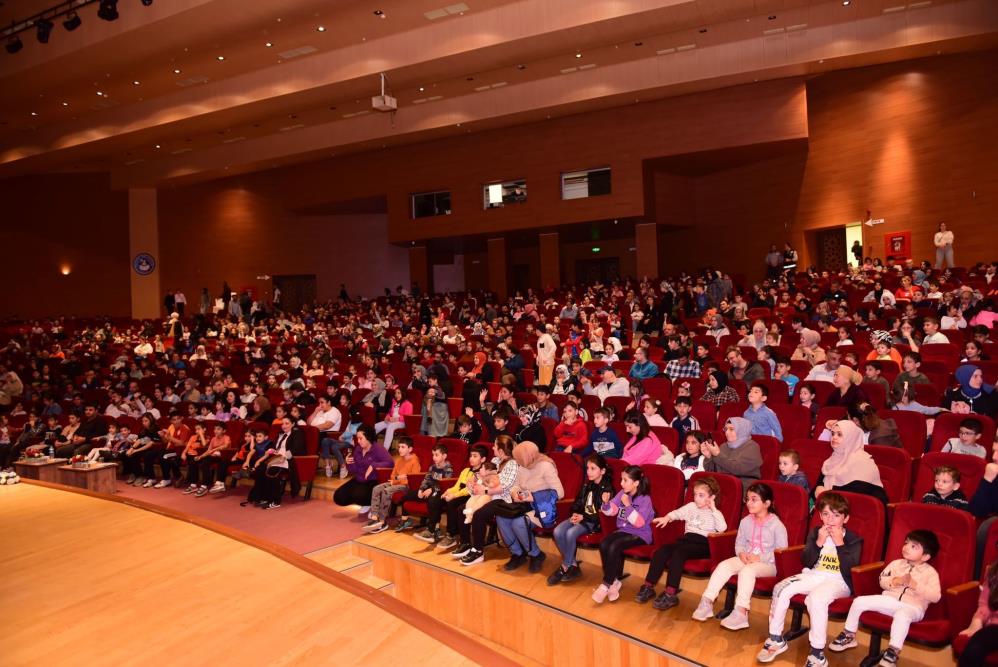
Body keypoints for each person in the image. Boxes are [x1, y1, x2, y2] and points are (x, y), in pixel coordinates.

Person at [758, 491, 863, 666]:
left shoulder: (853, 539)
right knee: (780, 588)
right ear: (820, 515)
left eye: (836, 515)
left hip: (838, 581)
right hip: (813, 575)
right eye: (826, 514)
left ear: (845, 519)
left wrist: (839, 543)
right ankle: (776, 638)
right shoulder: (816, 532)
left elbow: (851, 569)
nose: (830, 520)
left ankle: (817, 654)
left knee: (815, 599)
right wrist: (818, 543)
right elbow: (805, 561)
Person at [830, 530, 941, 667]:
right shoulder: (896, 564)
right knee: (859, 601)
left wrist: (915, 585)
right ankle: (849, 635)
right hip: (891, 600)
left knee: (902, 616)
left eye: (913, 546)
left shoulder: (930, 573)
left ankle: (892, 652)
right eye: (906, 543)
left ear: (925, 556)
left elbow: (935, 596)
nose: (906, 547)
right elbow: (882, 580)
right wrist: (895, 581)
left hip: (913, 607)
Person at [693, 482, 788, 629]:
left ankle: (741, 612)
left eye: (754, 499)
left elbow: (782, 551)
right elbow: (739, 544)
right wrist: (741, 553)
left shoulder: (777, 525)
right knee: (724, 565)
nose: (749, 503)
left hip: (769, 564)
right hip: (747, 558)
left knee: (747, 570)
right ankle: (707, 602)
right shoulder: (746, 521)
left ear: (767, 503)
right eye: (747, 499)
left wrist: (760, 558)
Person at [636, 476, 727, 610]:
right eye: (695, 494)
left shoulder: (715, 513)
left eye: (701, 495)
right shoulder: (691, 506)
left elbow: (722, 528)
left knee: (679, 553)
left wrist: (713, 508)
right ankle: (648, 586)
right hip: (687, 540)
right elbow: (677, 513)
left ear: (712, 497)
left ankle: (671, 594)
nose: (696, 498)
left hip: (703, 544)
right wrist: (667, 517)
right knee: (662, 550)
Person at [491, 441, 564, 571]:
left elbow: (560, 492)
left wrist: (534, 497)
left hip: (541, 508)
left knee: (519, 523)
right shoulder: (523, 466)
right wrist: (515, 493)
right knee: (502, 518)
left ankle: (536, 554)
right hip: (524, 505)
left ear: (527, 457)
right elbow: (516, 485)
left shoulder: (546, 466)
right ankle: (517, 553)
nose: (517, 461)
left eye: (519, 458)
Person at [592, 465, 656, 603]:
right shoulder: (622, 493)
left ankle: (606, 584)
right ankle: (614, 581)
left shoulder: (645, 499)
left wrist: (627, 506)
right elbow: (611, 511)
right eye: (621, 479)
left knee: (615, 546)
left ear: (636, 483)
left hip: (641, 534)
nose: (621, 483)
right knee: (604, 543)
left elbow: (639, 523)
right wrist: (606, 504)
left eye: (625, 480)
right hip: (624, 531)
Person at [548, 454, 615, 585]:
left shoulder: (608, 489)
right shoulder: (587, 485)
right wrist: (575, 513)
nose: (589, 472)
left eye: (593, 468)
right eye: (588, 468)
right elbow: (577, 503)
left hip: (594, 522)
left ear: (602, 471)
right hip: (580, 517)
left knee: (570, 533)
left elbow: (604, 514)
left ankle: (565, 566)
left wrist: (583, 517)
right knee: (557, 531)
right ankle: (573, 565)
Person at [456, 435, 519, 566]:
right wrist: (474, 485)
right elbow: (484, 476)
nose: (492, 448)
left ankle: (478, 551)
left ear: (501, 450)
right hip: (487, 494)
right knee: (461, 509)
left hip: (502, 499)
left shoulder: (512, 464)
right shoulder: (495, 460)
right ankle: (466, 544)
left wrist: (484, 490)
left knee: (479, 514)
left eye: (495, 446)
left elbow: (505, 486)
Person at [429, 444, 489, 551]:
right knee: (438, 498)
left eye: (475, 456)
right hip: (460, 494)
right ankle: (433, 529)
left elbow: (468, 490)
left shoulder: (481, 474)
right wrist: (447, 492)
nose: (471, 458)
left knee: (452, 503)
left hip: (472, 496)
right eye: (470, 456)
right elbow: (457, 486)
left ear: (483, 459)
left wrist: (454, 496)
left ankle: (451, 535)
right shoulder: (466, 471)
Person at [813, 420, 888, 505]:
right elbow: (819, 485)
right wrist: (818, 488)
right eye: (833, 433)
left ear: (851, 437)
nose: (834, 437)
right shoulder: (831, 460)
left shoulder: (863, 461)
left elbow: (858, 491)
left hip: (857, 511)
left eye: (839, 434)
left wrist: (828, 492)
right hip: (830, 510)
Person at [362, 436, 420, 533]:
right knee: (376, 488)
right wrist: (397, 479)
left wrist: (397, 480)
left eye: (403, 447)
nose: (400, 449)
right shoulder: (399, 460)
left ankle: (382, 521)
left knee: (386, 491)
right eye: (399, 447)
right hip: (396, 483)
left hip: (407, 486)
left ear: (410, 449)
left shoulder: (414, 461)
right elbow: (393, 476)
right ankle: (375, 517)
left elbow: (413, 480)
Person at [332, 425, 393, 513]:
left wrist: (373, 465)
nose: (358, 441)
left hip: (373, 481)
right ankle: (365, 502)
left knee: (358, 496)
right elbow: (354, 470)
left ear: (368, 437)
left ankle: (373, 504)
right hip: (359, 479)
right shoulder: (358, 449)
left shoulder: (378, 449)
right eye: (357, 438)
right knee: (338, 497)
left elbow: (390, 463)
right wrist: (349, 463)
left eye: (361, 438)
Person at [242, 416, 296, 510]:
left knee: (270, 471)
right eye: (282, 423)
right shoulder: (281, 434)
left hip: (286, 460)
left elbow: (296, 449)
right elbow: (277, 448)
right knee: (260, 469)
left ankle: (276, 501)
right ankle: (263, 497)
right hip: (275, 458)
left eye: (286, 423)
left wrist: (283, 456)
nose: (283, 426)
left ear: (293, 424)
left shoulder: (296, 434)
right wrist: (272, 452)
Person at [957, 559, 998, 666]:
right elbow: (985, 604)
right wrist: (977, 621)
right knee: (973, 650)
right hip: (995, 626)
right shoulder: (994, 571)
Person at [703, 417, 762, 490]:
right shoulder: (723, 446)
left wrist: (718, 454)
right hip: (722, 484)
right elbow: (712, 471)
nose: (727, 432)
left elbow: (738, 469)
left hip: (743, 486)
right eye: (726, 429)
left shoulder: (752, 446)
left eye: (731, 429)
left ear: (741, 430)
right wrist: (708, 456)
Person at [309, 396, 342, 477]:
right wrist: (315, 411)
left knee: (310, 439)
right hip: (315, 433)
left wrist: (312, 429)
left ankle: (312, 464)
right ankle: (308, 464)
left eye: (322, 402)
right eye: (319, 403)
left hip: (328, 435)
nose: (320, 405)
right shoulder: (320, 411)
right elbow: (308, 422)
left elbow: (327, 425)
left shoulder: (334, 411)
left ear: (329, 402)